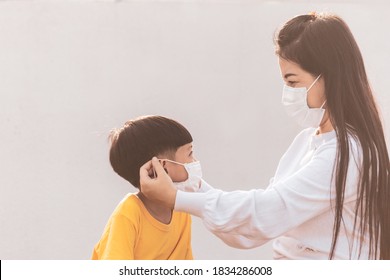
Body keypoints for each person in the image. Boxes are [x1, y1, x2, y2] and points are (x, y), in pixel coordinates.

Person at [139, 12, 390, 259]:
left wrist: (176, 199)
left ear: (329, 77)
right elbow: (250, 229)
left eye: (293, 82)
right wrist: (188, 185)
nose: (288, 93)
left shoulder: (347, 154)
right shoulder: (306, 142)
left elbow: (263, 214)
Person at [92, 115, 201, 260]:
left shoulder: (181, 210)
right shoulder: (128, 213)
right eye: (190, 153)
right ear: (160, 167)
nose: (195, 161)